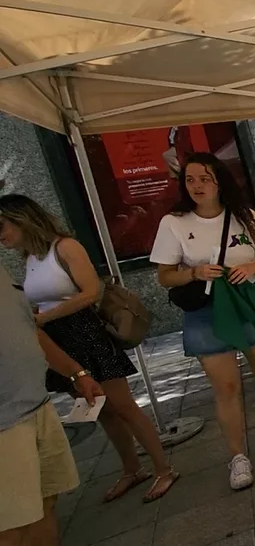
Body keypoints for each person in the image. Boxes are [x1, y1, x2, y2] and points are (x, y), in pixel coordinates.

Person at [151, 153, 255, 491]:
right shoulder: (174, 222)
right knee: (226, 387)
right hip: (206, 311)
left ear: (220, 181)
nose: (197, 185)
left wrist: (253, 268)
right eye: (191, 179)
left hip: (246, 305)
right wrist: (194, 272)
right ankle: (238, 456)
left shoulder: (244, 217)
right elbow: (165, 276)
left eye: (205, 178)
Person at [0, 194, 179, 503]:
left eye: (2, 225)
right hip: (57, 341)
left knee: (123, 405)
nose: (1, 235)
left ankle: (164, 468)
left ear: (22, 218)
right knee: (101, 410)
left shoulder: (65, 247)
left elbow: (91, 292)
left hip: (84, 333)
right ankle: (132, 469)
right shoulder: (29, 257)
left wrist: (45, 317)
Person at [0, 263, 103, 546]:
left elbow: (28, 330)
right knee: (11, 527)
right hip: (4, 425)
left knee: (47, 503)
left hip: (38, 406)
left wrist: (76, 372)